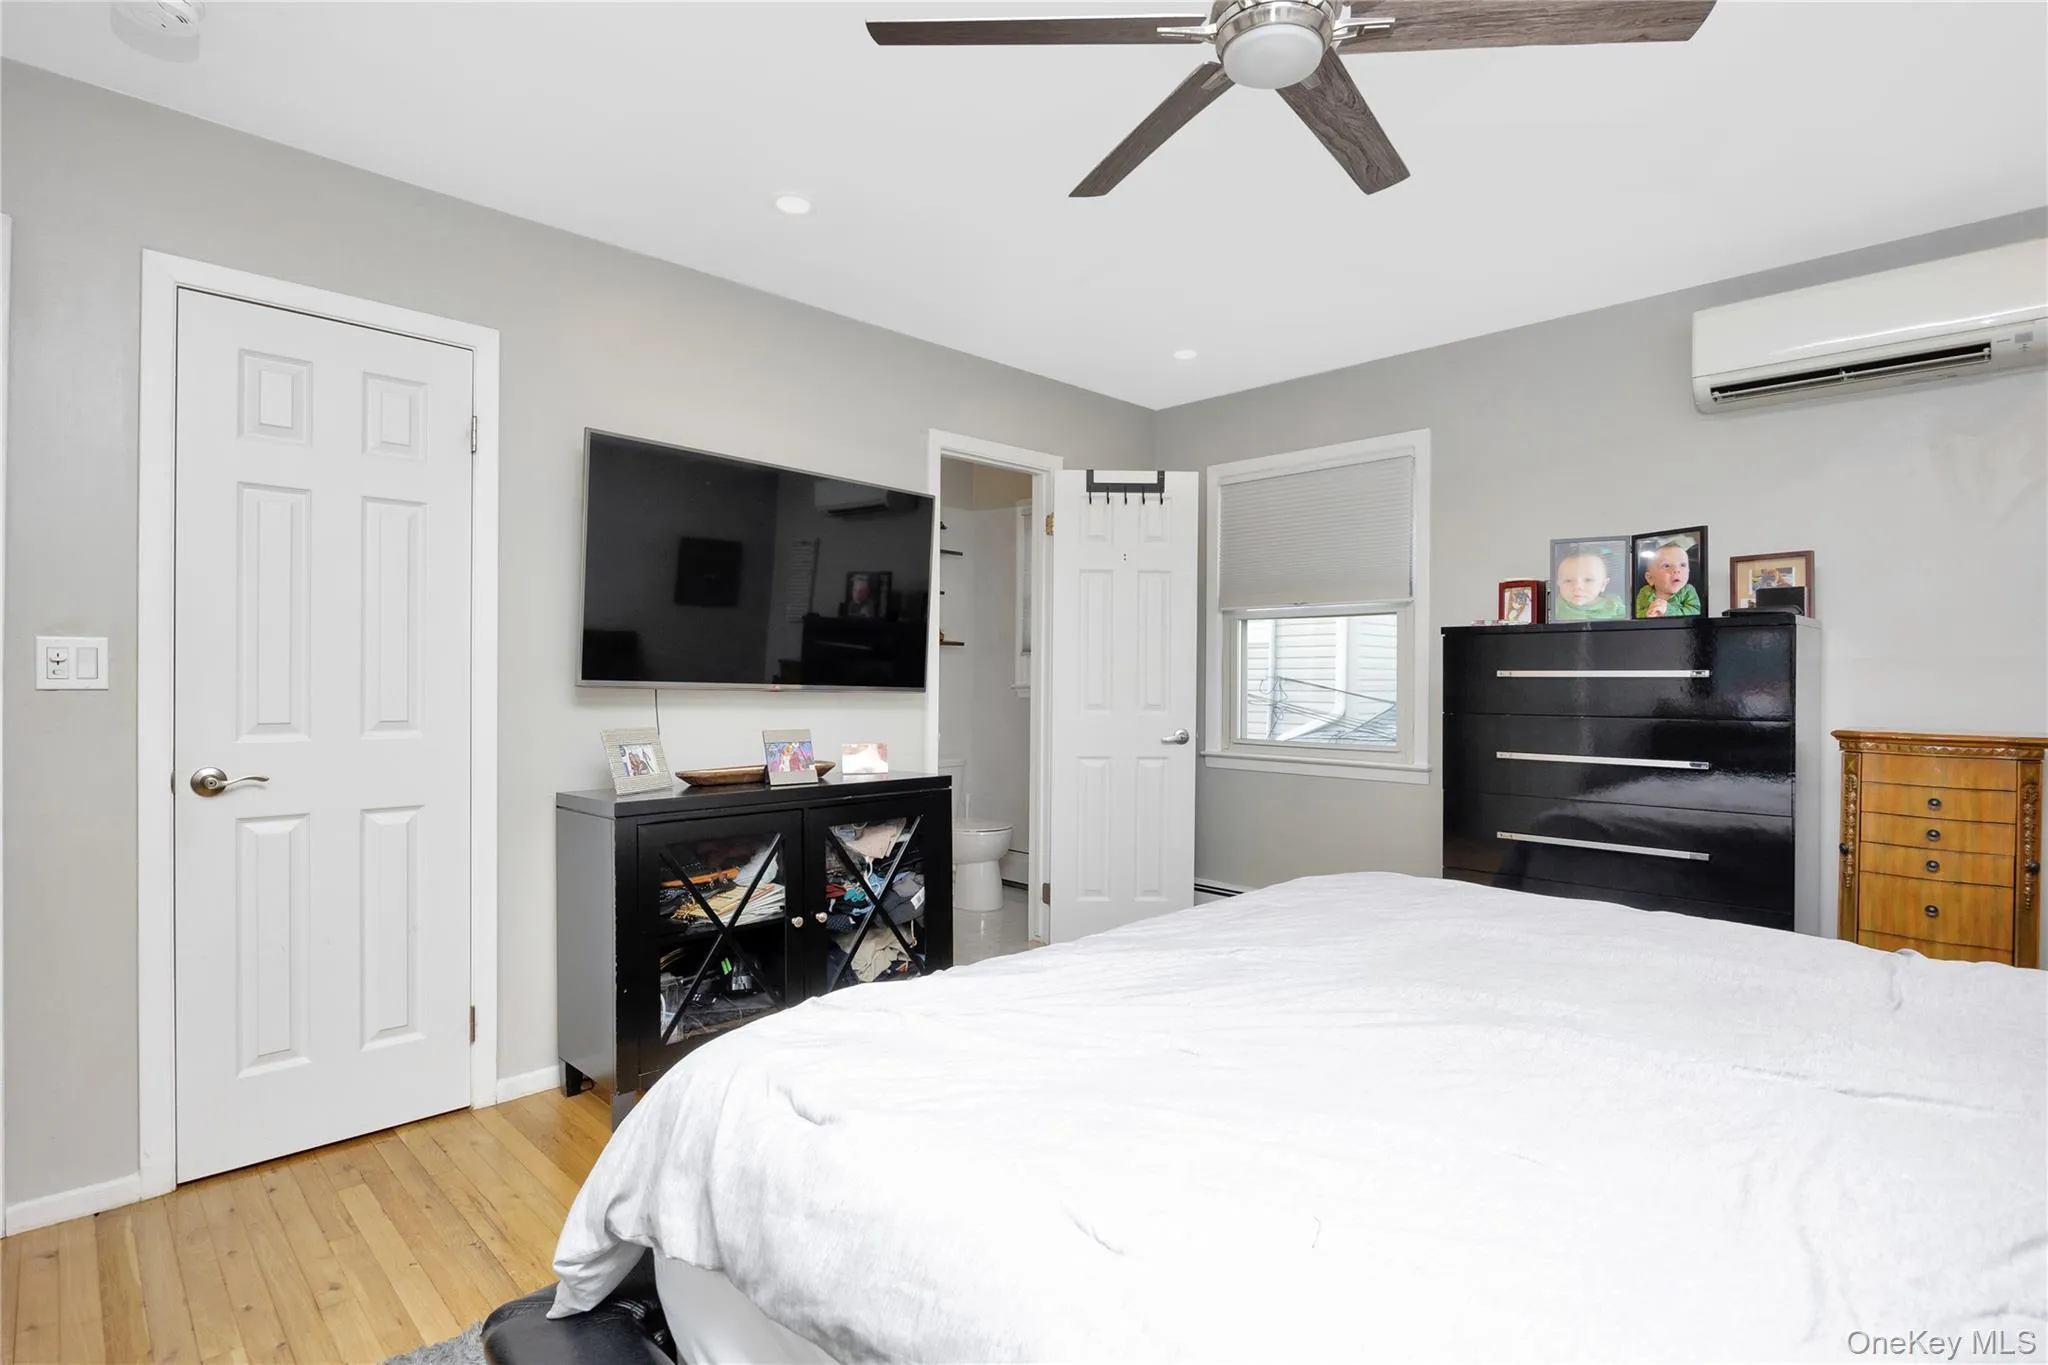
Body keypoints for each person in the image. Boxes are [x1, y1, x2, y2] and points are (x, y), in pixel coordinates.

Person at [1552, 549, 1627, 620]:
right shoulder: (1557, 606)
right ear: (1559, 583)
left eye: (1588, 580)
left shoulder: (1614, 604)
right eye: (1568, 580)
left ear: (1603, 584)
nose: (1577, 586)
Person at [1636, 542, 1701, 618]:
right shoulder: (1645, 592)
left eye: (1682, 565)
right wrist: (1647, 613)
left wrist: (1668, 611)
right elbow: (1636, 613)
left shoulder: (1688, 591)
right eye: (1667, 565)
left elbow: (1695, 612)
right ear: (1650, 578)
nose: (1677, 570)